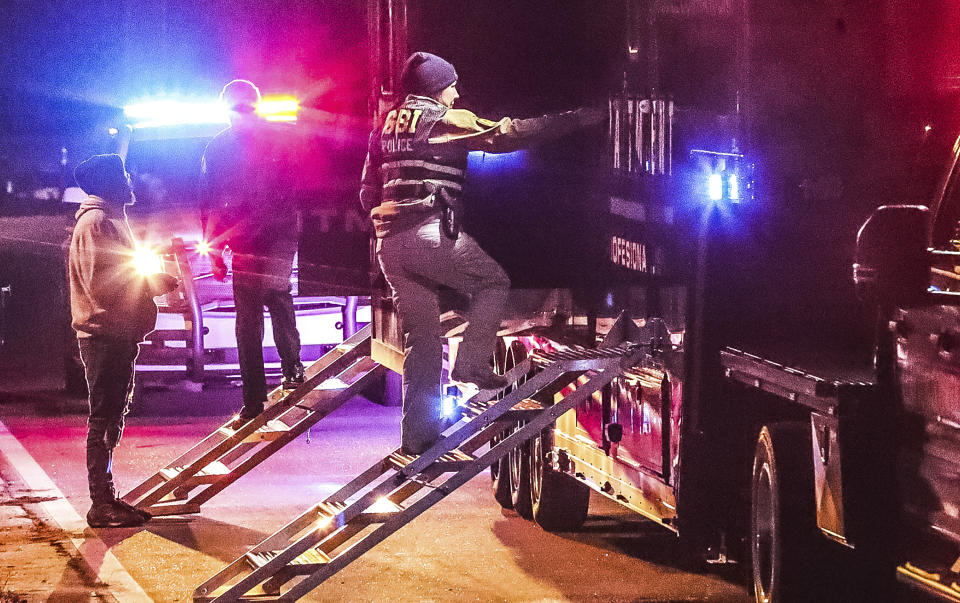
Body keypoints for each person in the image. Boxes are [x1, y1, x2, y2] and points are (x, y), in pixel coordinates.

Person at [360, 52, 605, 454]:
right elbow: (505, 135)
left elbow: (367, 191)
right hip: (430, 235)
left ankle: (416, 440)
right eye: (452, 86)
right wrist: (575, 119)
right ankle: (471, 363)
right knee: (493, 283)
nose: (456, 94)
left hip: (390, 246)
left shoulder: (385, 126)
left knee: (421, 343)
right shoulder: (440, 119)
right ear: (437, 87)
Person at [69, 153, 179, 527]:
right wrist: (152, 283)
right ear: (107, 182)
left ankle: (108, 498)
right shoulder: (98, 222)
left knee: (112, 416)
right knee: (103, 418)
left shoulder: (108, 218)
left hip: (114, 333)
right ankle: (101, 503)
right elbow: (106, 282)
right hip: (105, 335)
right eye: (123, 175)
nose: (131, 180)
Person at [202, 79, 305, 430]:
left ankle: (288, 373)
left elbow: (295, 189)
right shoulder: (219, 148)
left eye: (245, 107)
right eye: (238, 108)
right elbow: (211, 202)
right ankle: (257, 397)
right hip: (252, 238)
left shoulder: (277, 139)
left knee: (272, 297)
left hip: (272, 233)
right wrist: (215, 248)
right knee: (252, 318)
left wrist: (218, 246)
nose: (241, 115)